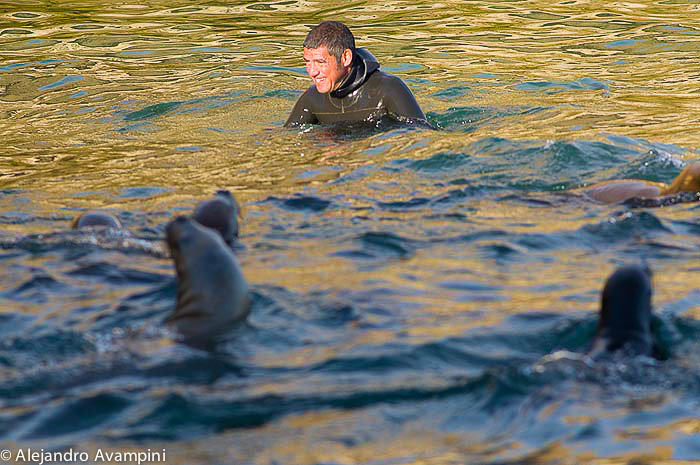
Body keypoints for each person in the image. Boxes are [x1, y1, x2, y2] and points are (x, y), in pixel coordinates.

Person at [284, 21, 428, 127]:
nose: (312, 72)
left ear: (346, 58)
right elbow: (285, 138)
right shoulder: (312, 99)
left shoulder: (388, 89)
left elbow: (420, 135)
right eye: (308, 62)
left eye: (320, 62)